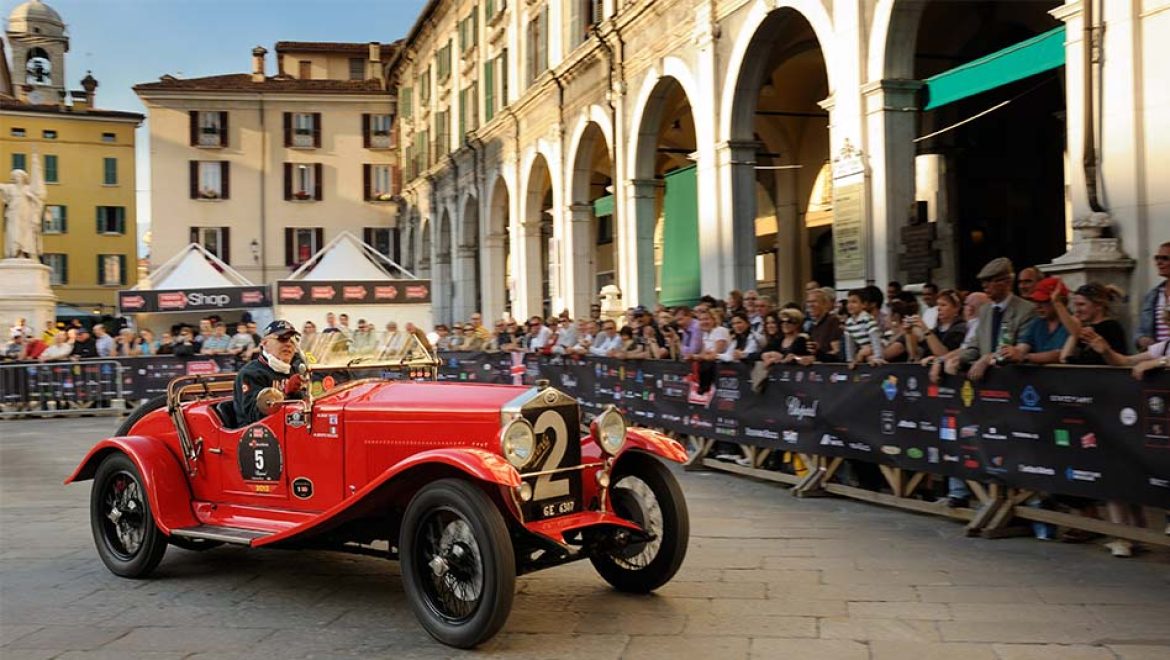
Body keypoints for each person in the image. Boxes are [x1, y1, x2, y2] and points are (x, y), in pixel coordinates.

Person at [958, 257, 1035, 381]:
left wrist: (988, 358)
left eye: (990, 281)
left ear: (1008, 282)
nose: (985, 286)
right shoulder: (984, 310)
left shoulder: (1026, 310)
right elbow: (975, 346)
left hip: (1014, 382)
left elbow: (1019, 351)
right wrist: (949, 360)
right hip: (986, 383)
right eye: (983, 282)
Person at [233, 321, 307, 427]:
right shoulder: (250, 373)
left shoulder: (296, 369)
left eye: (294, 340)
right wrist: (287, 392)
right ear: (265, 343)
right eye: (282, 338)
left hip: (294, 427)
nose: (289, 344)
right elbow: (254, 415)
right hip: (259, 435)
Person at [997, 277, 1069, 366]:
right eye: (1036, 301)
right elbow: (1023, 346)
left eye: (1043, 301)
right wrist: (1012, 352)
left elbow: (1060, 354)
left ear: (1060, 301)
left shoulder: (1071, 324)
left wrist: (1025, 357)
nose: (1038, 306)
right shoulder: (1037, 323)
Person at [1057, 283, 1128, 365]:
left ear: (1099, 305)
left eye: (1081, 304)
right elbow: (1064, 358)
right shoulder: (1085, 328)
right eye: (1075, 305)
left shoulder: (1110, 327)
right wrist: (1074, 333)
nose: (1077, 310)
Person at [913, 289, 968, 365]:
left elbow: (944, 354)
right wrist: (908, 333)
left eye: (943, 305)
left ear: (956, 308)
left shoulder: (961, 329)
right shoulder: (936, 330)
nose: (939, 309)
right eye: (938, 305)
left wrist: (925, 330)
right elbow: (916, 355)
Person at [1136, 242, 1170, 350]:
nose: (1159, 262)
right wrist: (1141, 339)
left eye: (1165, 258)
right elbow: (1140, 330)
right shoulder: (1153, 295)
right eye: (1157, 258)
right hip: (1156, 357)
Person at [843, 289, 881, 368]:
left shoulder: (867, 319)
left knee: (871, 359)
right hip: (864, 348)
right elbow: (849, 343)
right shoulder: (848, 323)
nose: (850, 305)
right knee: (863, 357)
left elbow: (875, 338)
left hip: (878, 346)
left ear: (864, 305)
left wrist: (877, 356)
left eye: (854, 302)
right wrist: (850, 360)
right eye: (848, 302)